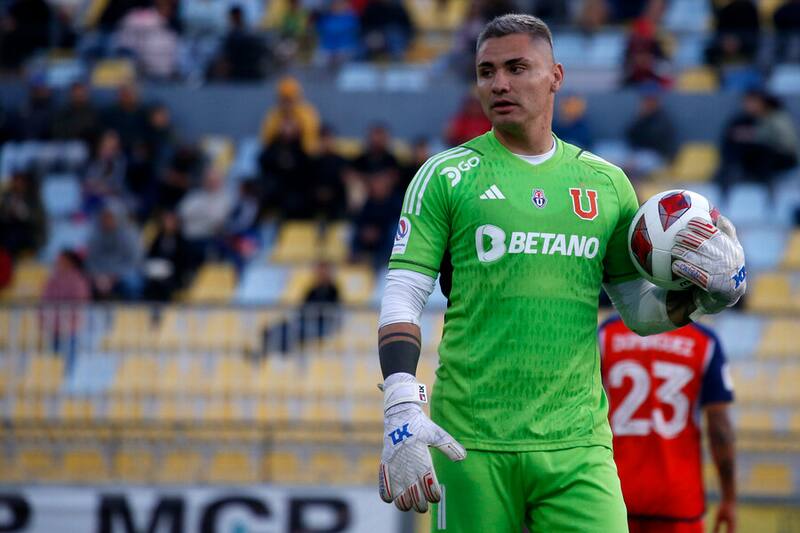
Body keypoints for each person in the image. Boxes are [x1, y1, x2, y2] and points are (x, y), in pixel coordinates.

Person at [375, 14, 747, 532]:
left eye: (517, 67)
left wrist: (703, 300)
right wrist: (399, 401)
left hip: (578, 443)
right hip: (472, 441)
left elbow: (637, 310)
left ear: (556, 76)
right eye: (486, 72)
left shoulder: (606, 184)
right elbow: (402, 297)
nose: (499, 83)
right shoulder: (445, 176)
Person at [599, 316, 736, 533]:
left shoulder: (606, 334)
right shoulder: (704, 341)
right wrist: (729, 498)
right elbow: (720, 431)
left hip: (614, 491)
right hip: (678, 501)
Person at [86, 201, 143, 300]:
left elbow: (135, 261)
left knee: (133, 282)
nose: (106, 220)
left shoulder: (130, 233)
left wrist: (114, 276)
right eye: (104, 216)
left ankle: (132, 310)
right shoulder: (96, 234)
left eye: (110, 217)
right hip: (101, 274)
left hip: (123, 273)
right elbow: (91, 260)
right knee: (81, 282)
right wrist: (98, 276)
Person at [259, 76, 320, 156]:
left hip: (301, 153)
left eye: (289, 99)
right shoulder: (273, 114)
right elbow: (266, 140)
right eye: (284, 99)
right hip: (279, 151)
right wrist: (279, 131)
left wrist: (297, 129)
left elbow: (310, 142)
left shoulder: (307, 112)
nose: (287, 103)